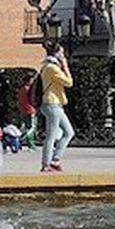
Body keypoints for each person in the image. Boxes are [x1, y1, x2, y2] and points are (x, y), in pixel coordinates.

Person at [38, 42, 75, 172]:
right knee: (51, 135)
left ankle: (55, 159)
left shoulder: (49, 67)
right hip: (52, 104)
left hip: (56, 105)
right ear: (57, 54)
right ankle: (46, 164)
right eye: (62, 53)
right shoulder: (51, 68)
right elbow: (69, 82)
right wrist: (65, 66)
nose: (63, 55)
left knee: (69, 132)